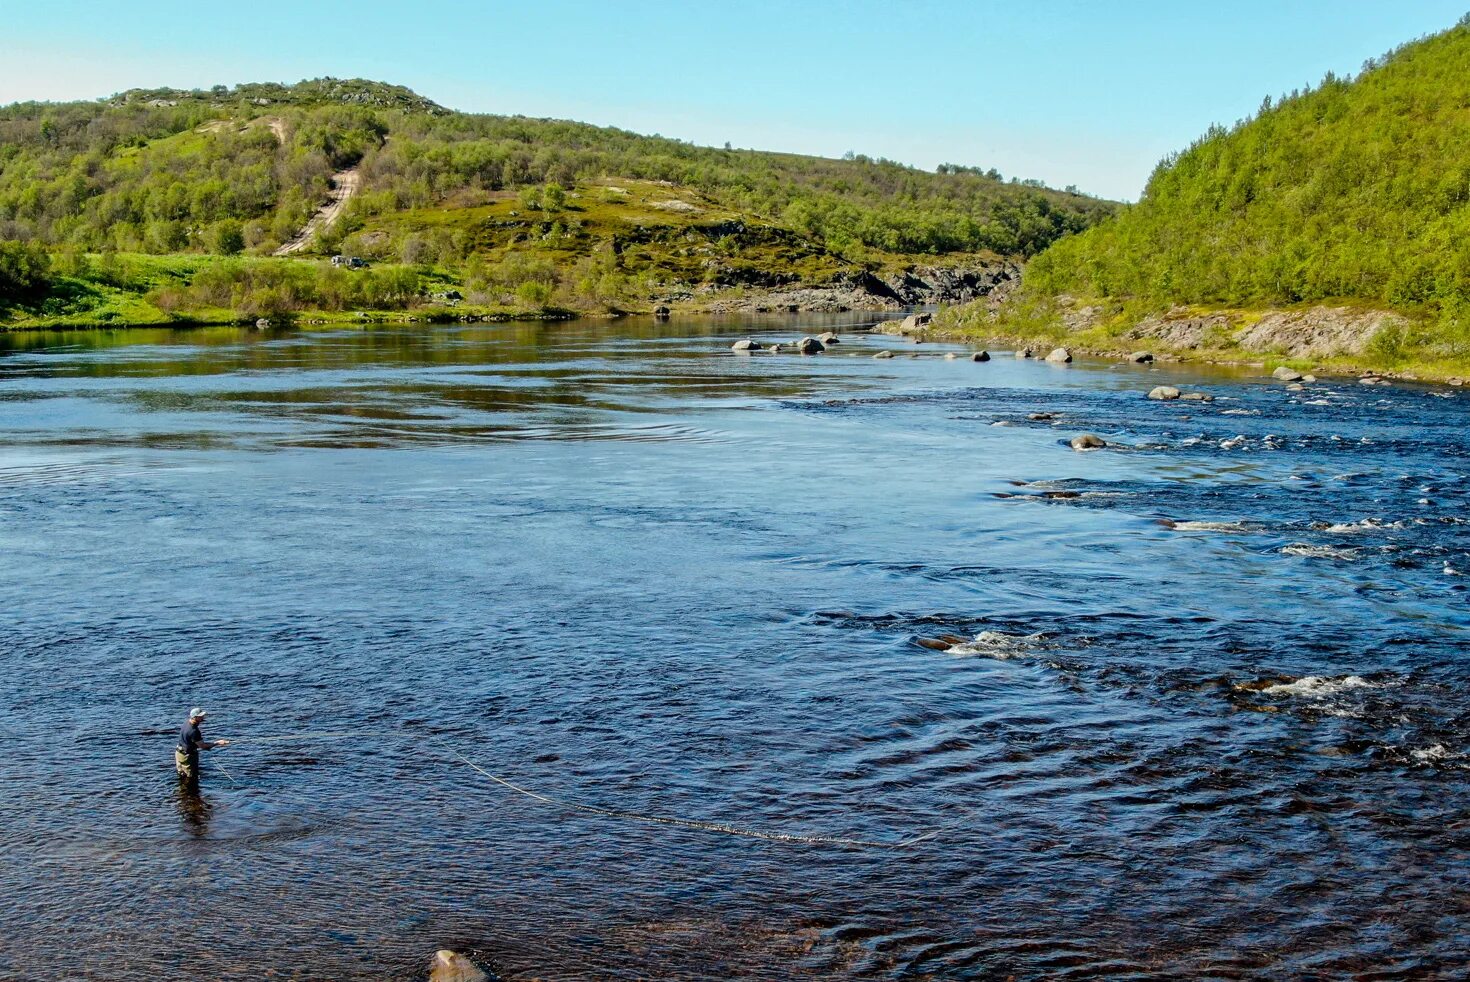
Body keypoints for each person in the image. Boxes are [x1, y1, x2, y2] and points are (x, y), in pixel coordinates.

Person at [175, 707, 229, 788]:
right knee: (191, 778)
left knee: (182, 775)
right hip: (187, 757)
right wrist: (218, 743)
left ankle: (183, 794)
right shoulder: (194, 731)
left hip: (179, 754)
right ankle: (190, 794)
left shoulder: (186, 723)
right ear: (195, 717)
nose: (203, 717)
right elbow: (203, 746)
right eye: (201, 716)